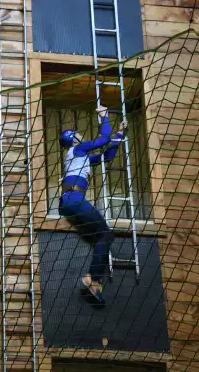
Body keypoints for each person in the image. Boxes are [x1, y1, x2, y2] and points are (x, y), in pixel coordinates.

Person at [58, 105, 128, 304]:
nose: (81, 136)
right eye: (78, 134)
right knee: (105, 235)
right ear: (73, 139)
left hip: (69, 202)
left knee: (101, 238)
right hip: (74, 199)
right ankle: (92, 279)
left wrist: (119, 134)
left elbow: (107, 156)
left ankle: (94, 281)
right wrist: (104, 117)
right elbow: (102, 140)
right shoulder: (77, 149)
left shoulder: (82, 157)